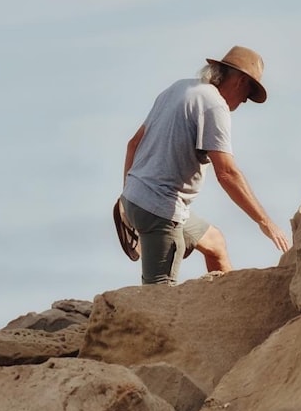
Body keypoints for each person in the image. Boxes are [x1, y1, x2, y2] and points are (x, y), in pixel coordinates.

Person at [121, 45, 291, 285]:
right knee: (159, 296)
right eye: (248, 94)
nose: (244, 101)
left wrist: (128, 199)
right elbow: (227, 173)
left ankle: (226, 313)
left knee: (215, 243)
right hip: (160, 209)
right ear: (240, 81)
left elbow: (133, 144)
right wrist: (266, 223)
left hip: (134, 197)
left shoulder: (180, 87)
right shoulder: (214, 106)